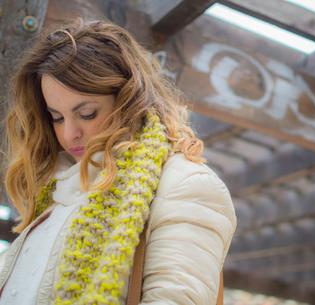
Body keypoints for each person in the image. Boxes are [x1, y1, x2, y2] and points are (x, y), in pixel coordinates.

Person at [0, 18, 237, 305]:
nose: (69, 133)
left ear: (128, 100)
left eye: (86, 113)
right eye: (56, 117)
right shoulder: (53, 194)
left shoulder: (183, 183)